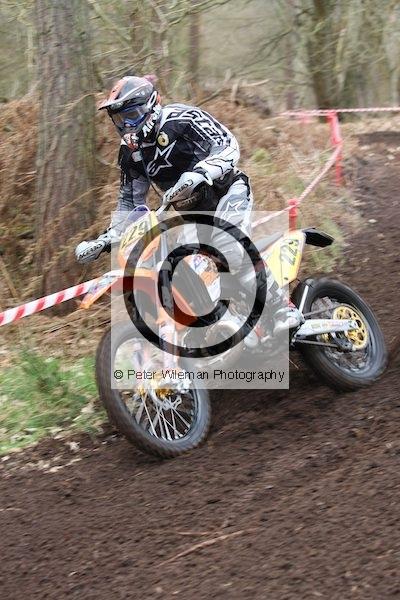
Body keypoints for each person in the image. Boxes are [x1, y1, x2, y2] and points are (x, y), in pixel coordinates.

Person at [75, 75, 301, 333]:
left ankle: (282, 308)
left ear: (151, 105)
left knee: (229, 246)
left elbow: (227, 145)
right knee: (190, 270)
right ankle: (227, 324)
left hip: (226, 192)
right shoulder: (131, 153)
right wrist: (104, 240)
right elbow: (129, 202)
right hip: (192, 214)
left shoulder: (182, 120)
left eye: (132, 115)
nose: (126, 125)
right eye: (119, 119)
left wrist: (201, 172)